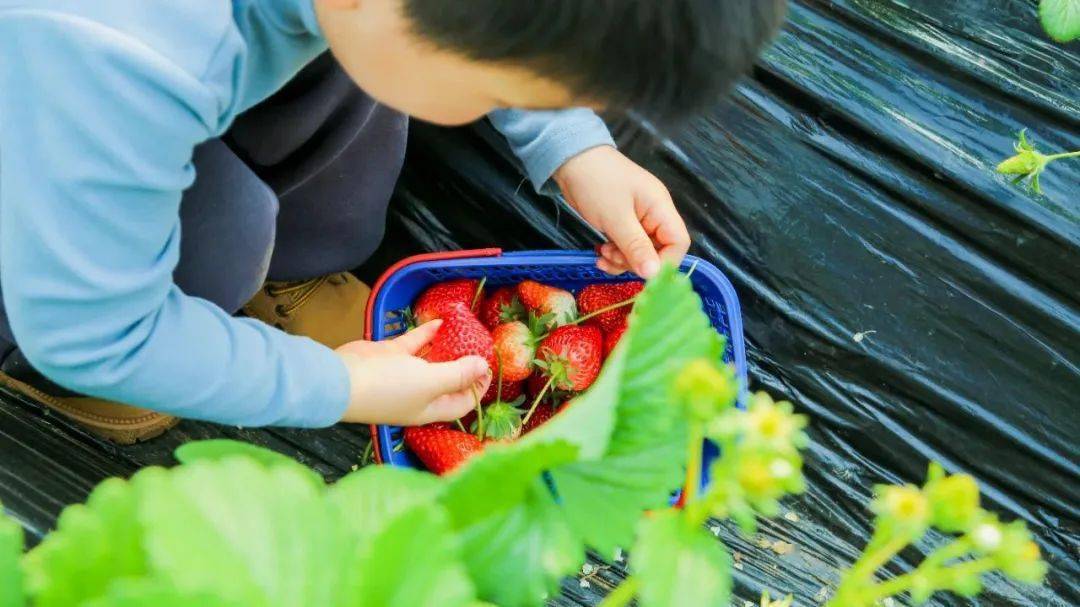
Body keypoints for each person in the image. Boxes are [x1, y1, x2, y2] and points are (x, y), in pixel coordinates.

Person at [0, 0, 787, 442]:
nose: (527, 106)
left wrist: (575, 148)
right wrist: (336, 384)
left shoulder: (363, 13)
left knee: (365, 88)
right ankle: (32, 364)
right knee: (223, 236)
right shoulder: (119, 50)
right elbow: (97, 328)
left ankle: (288, 269)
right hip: (39, 194)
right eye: (512, 89)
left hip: (128, 102)